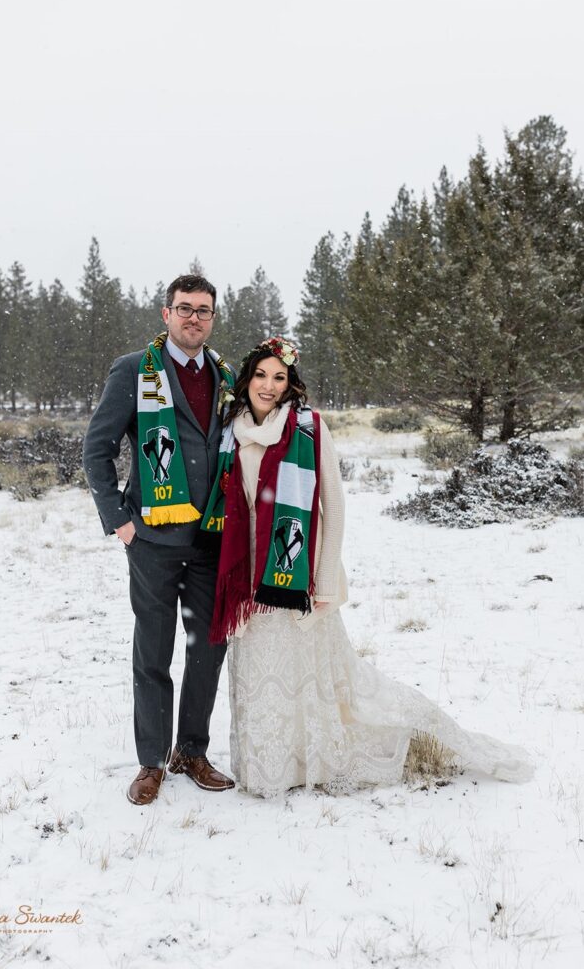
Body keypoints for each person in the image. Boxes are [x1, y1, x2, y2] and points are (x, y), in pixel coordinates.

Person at [208, 336, 534, 798]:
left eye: (278, 377)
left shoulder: (308, 428)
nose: (268, 385)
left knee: (304, 674)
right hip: (248, 574)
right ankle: (270, 766)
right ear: (246, 379)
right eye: (261, 375)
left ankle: (317, 759)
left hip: (293, 571)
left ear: (290, 384)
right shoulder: (233, 430)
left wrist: (322, 581)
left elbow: (333, 506)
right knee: (262, 675)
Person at [83, 274, 236, 805]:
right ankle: (151, 761)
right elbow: (96, 449)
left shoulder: (227, 376)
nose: (194, 317)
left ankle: (191, 750)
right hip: (151, 539)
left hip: (211, 539)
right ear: (166, 314)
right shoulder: (135, 371)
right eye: (185, 308)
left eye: (204, 310)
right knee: (153, 650)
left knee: (207, 649)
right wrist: (118, 519)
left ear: (213, 318)